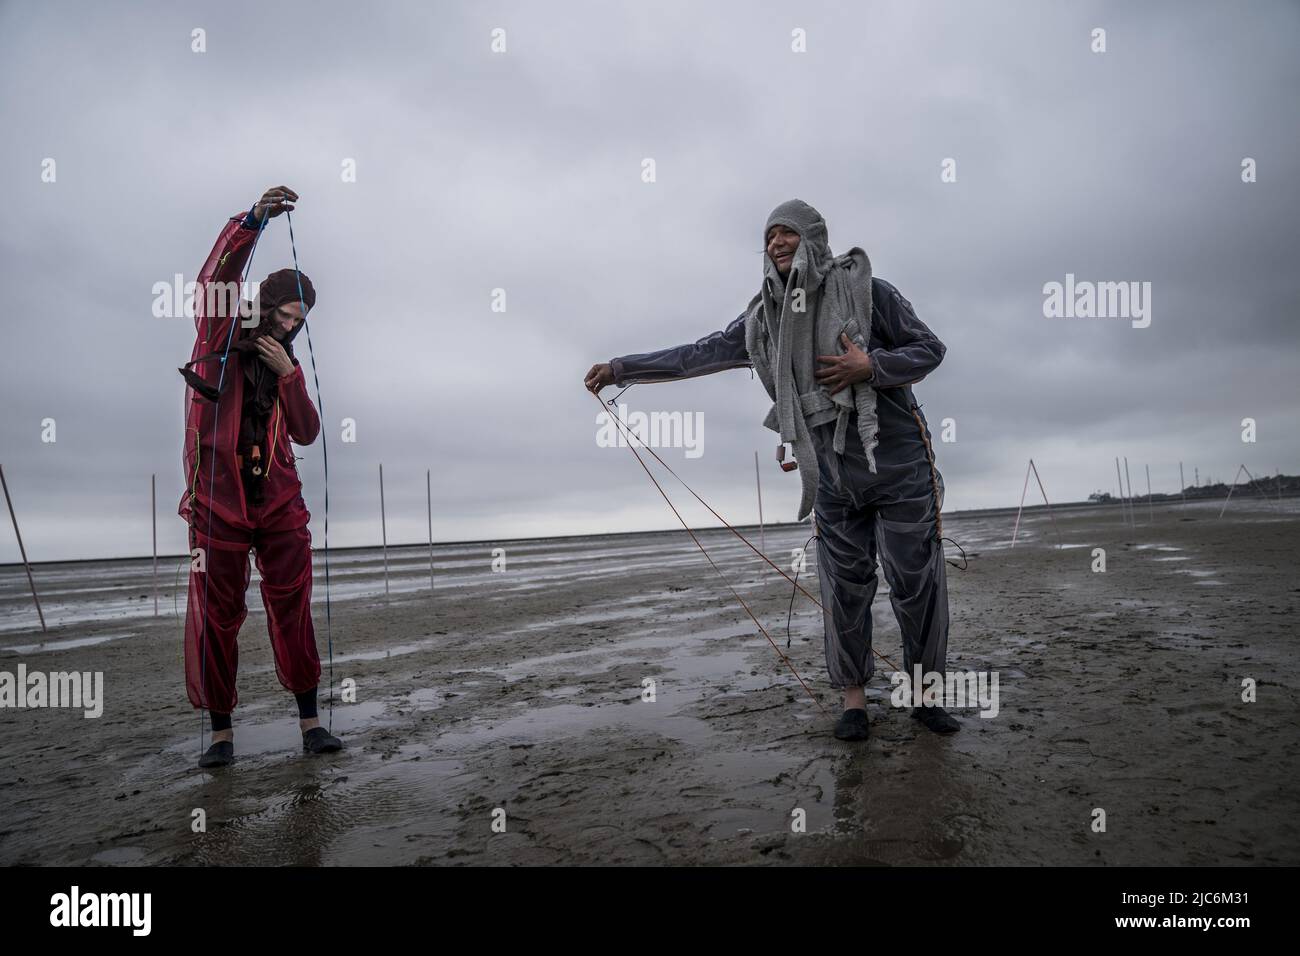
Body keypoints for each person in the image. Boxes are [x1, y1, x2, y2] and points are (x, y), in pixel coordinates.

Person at [585, 198, 959, 740]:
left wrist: (870, 366)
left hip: (898, 466)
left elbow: (931, 349)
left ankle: (926, 696)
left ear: (815, 239)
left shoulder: (869, 293)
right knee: (844, 589)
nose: (777, 244)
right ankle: (854, 702)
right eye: (769, 237)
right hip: (831, 477)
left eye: (788, 234)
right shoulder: (764, 318)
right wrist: (623, 368)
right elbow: (701, 353)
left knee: (914, 583)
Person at [178, 185, 343, 768]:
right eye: (284, 314)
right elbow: (213, 283)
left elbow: (306, 432)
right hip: (217, 503)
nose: (291, 326)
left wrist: (290, 374)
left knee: (292, 605)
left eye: (300, 320)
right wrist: (252, 222)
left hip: (279, 504)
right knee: (217, 615)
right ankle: (222, 735)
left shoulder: (287, 358)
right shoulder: (218, 338)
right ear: (264, 305)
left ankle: (311, 724)